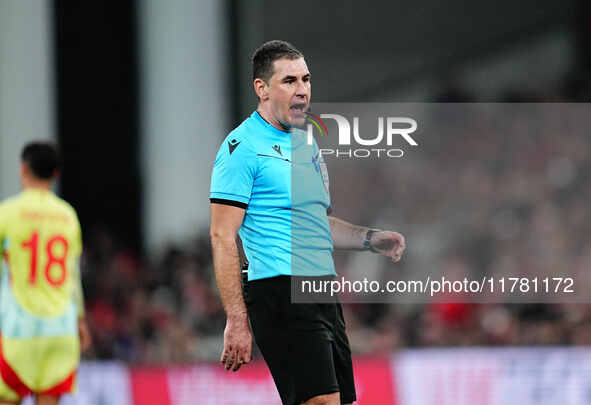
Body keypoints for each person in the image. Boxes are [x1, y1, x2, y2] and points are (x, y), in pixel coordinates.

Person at [210, 40, 405, 405]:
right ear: (262, 88)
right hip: (279, 289)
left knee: (341, 402)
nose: (302, 89)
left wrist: (369, 239)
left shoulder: (306, 145)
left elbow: (319, 224)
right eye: (289, 80)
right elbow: (222, 235)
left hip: (321, 289)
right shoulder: (241, 147)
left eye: (306, 79)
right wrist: (237, 319)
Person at [0, 142, 91, 405]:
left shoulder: (8, 213)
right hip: (60, 330)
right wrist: (81, 320)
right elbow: (73, 276)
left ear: (23, 169)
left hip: (17, 330)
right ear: (55, 175)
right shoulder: (68, 216)